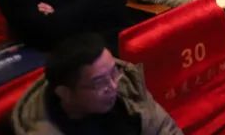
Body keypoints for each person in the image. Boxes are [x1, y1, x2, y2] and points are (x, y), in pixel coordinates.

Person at [11, 33, 182, 135]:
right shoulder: (45, 129)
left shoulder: (127, 86)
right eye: (99, 83)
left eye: (113, 73)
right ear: (65, 93)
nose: (113, 86)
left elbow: (164, 128)